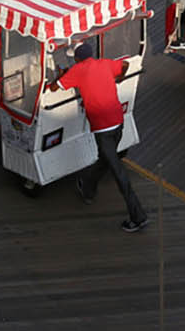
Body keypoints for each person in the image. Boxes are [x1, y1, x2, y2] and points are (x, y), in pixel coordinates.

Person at [57, 42, 148, 233]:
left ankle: (137, 216)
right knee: (106, 159)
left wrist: (60, 75)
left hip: (102, 130)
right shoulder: (104, 64)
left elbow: (54, 87)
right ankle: (87, 188)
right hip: (118, 122)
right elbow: (124, 66)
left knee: (118, 173)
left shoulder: (77, 70)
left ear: (77, 58)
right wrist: (118, 80)